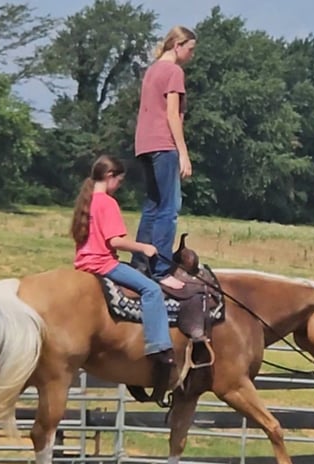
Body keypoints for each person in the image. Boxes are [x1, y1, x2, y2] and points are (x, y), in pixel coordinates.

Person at [71, 155, 175, 364]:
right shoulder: (107, 203)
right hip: (103, 264)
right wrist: (144, 247)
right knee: (152, 290)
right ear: (110, 176)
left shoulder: (87, 200)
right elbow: (115, 241)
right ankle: (158, 345)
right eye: (119, 181)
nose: (119, 186)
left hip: (83, 263)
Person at [131, 25, 197, 290]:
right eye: (190, 49)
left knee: (152, 206)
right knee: (169, 209)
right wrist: (183, 153)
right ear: (177, 46)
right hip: (163, 144)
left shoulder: (152, 70)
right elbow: (172, 115)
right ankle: (160, 269)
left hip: (144, 143)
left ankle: (139, 262)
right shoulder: (173, 71)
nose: (192, 55)